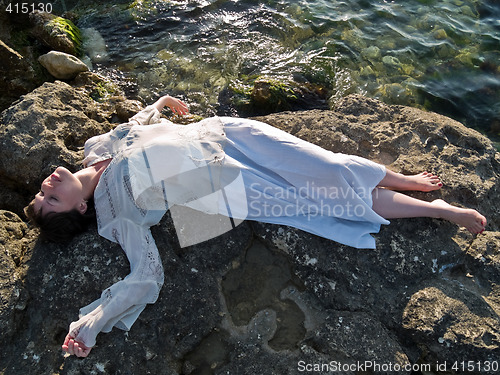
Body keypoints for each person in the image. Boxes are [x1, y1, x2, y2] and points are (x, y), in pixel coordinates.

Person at [24, 95, 486, 357]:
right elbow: (144, 274)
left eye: (41, 191)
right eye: (50, 200)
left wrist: (160, 104)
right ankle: (441, 209)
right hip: (228, 186)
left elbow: (136, 127)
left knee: (323, 163)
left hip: (223, 133)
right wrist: (91, 324)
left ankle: (402, 179)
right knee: (323, 198)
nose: (47, 185)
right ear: (77, 212)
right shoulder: (115, 213)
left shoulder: (93, 147)